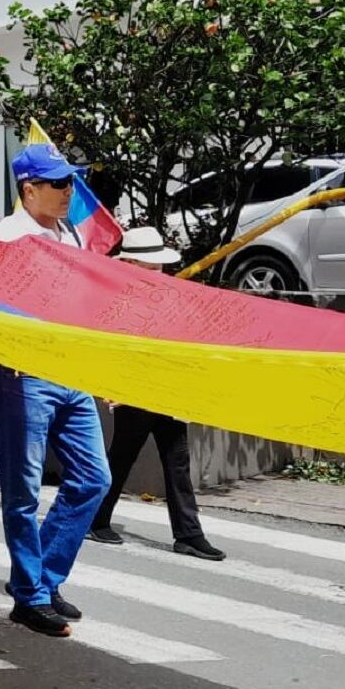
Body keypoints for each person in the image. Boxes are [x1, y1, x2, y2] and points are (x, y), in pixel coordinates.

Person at [0, 143, 114, 637]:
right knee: (22, 491)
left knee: (93, 478)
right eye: (59, 184)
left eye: (71, 182)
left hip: (70, 371)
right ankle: (30, 596)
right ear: (29, 189)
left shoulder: (72, 232)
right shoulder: (7, 237)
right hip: (23, 374)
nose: (68, 191)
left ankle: (44, 577)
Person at [89, 228, 226, 560]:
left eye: (158, 267)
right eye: (149, 267)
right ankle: (96, 519)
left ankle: (189, 535)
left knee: (177, 461)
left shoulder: (171, 296)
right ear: (130, 263)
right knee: (122, 457)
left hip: (167, 389)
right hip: (134, 390)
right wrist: (112, 386)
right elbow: (108, 346)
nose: (156, 273)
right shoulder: (117, 300)